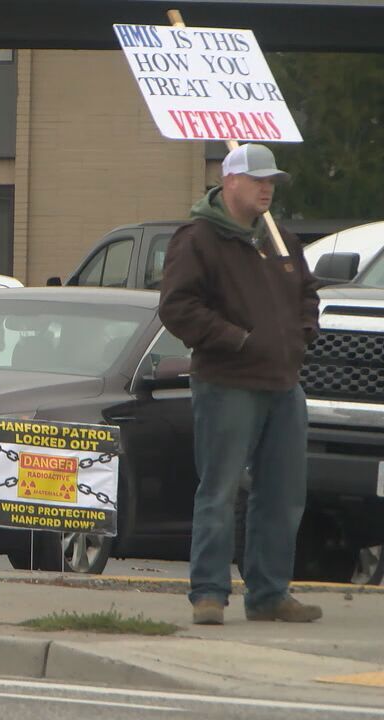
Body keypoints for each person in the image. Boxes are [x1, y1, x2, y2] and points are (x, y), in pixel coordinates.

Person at [159, 143, 322, 625]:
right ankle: (208, 594)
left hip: (284, 382)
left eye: (272, 181)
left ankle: (269, 593)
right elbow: (177, 307)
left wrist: (302, 333)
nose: (267, 189)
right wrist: (237, 339)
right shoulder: (198, 238)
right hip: (227, 382)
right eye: (258, 180)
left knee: (283, 494)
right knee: (220, 490)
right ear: (230, 181)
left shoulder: (280, 239)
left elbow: (307, 293)